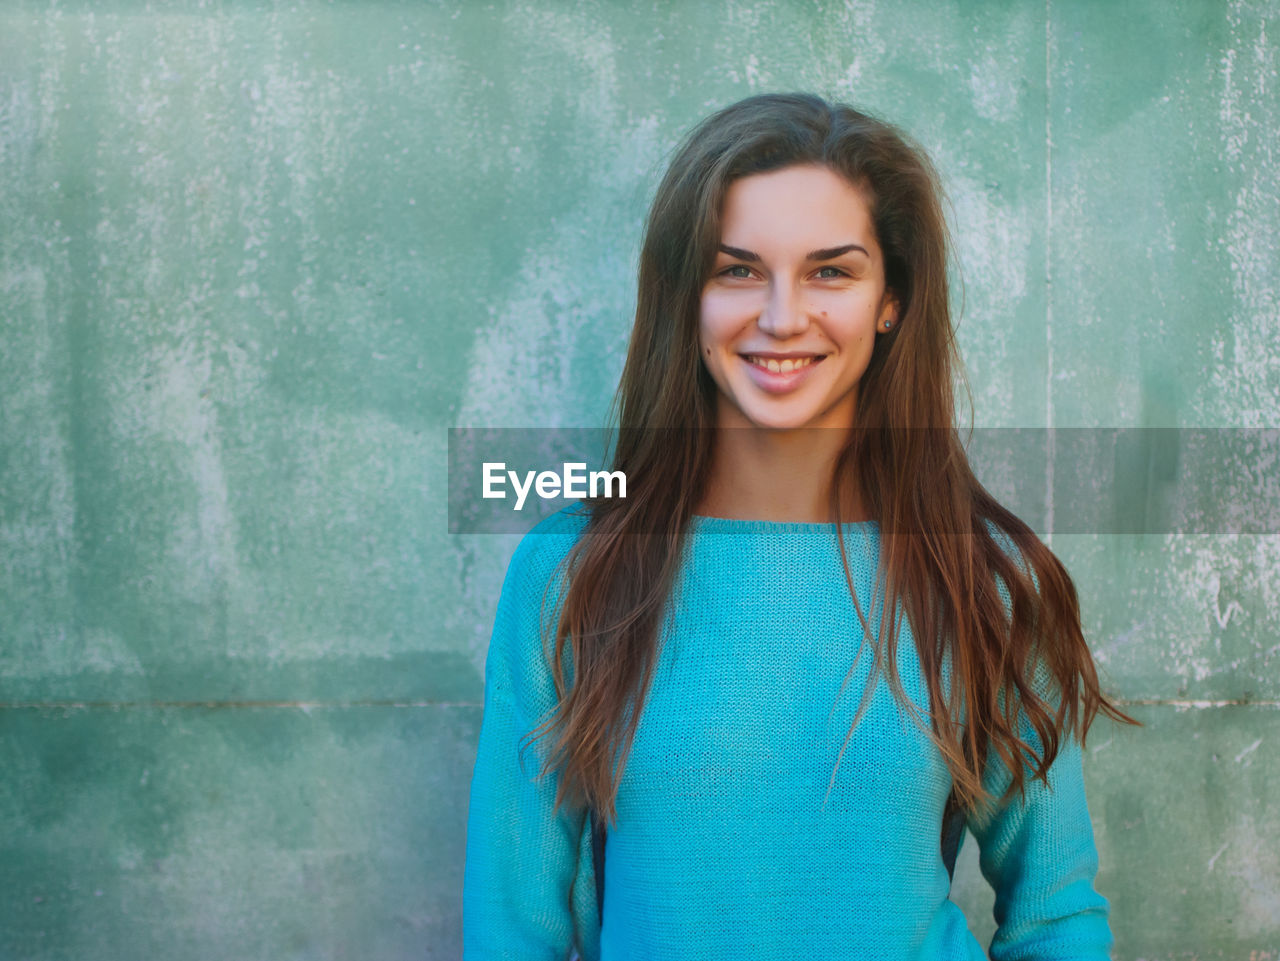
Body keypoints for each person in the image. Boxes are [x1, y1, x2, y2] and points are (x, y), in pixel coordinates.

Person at [462, 92, 1135, 960]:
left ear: (891, 297)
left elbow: (1056, 917)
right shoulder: (571, 572)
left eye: (831, 271)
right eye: (737, 269)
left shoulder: (984, 580)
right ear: (687, 297)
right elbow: (513, 928)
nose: (782, 317)